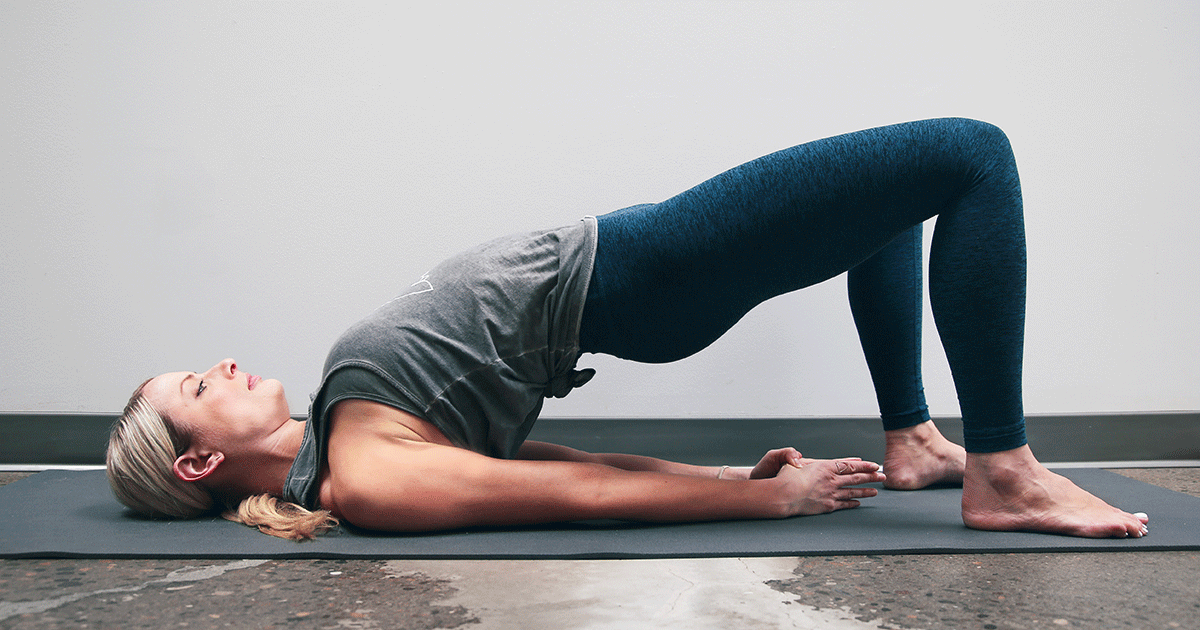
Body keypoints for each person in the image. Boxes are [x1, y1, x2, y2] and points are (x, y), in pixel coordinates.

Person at [107, 118, 1150, 541]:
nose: (225, 364)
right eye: (200, 384)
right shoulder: (369, 480)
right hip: (642, 276)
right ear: (200, 460)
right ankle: (1003, 473)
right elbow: (579, 495)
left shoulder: (346, 443)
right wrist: (767, 504)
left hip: (637, 269)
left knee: (888, 203)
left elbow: (560, 453)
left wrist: (736, 478)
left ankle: (916, 445)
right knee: (971, 156)